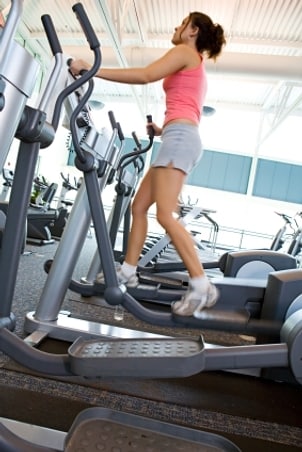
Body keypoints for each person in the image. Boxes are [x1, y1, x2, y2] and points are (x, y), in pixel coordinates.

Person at [70, 11, 226, 317]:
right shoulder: (195, 63)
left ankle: (201, 283)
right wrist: (161, 129)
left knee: (166, 215)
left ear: (193, 31)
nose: (176, 26)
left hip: (181, 138)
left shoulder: (185, 51)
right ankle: (129, 270)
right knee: (138, 207)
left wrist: (91, 69)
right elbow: (187, 108)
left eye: (182, 23)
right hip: (177, 135)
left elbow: (144, 75)